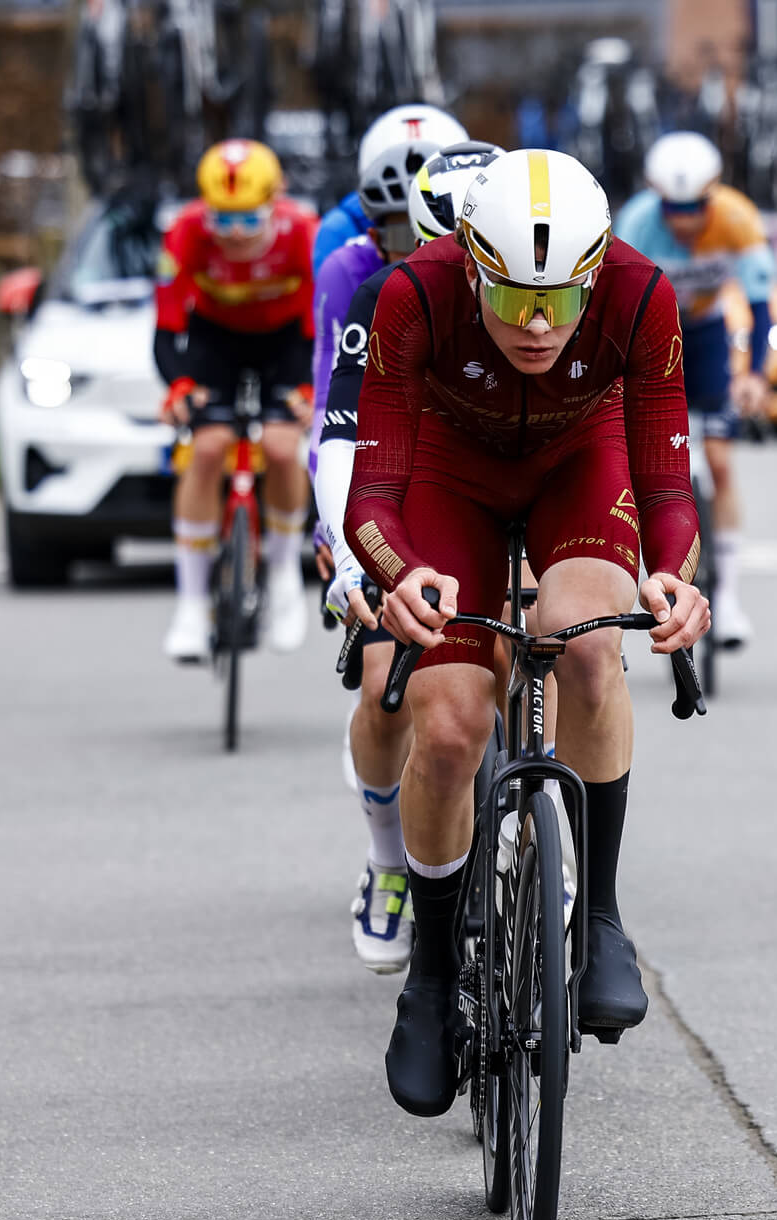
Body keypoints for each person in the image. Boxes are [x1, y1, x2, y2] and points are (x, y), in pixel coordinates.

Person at [342, 149, 710, 1116]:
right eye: (512, 299)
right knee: (454, 724)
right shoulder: (413, 295)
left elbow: (668, 479)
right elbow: (373, 492)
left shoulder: (641, 294)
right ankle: (430, 978)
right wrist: (398, 572)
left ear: (595, 268)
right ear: (470, 261)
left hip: (576, 464)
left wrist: (672, 576)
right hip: (447, 469)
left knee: (588, 643)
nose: (540, 325)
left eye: (560, 297)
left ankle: (601, 921)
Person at [309, 139, 503, 972]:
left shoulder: (542, 293)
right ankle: (390, 860)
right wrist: (353, 558)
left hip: (505, 498)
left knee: (561, 642)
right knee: (390, 684)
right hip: (407, 496)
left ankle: (544, 843)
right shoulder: (383, 296)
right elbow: (341, 440)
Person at [154, 139, 318, 661]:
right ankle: (191, 604)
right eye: (222, 221)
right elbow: (165, 327)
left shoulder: (303, 236)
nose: (237, 234)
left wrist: (313, 388)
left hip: (287, 341)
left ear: (276, 201)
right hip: (215, 341)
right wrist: (178, 384)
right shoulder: (184, 233)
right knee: (205, 450)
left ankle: (286, 572)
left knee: (282, 446)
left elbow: (325, 323)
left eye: (249, 218)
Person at [612, 130, 774, 649]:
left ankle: (726, 600)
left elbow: (762, 304)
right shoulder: (635, 224)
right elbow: (612, 310)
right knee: (642, 472)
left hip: (704, 337)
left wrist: (756, 375)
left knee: (721, 462)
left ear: (715, 193)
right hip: (650, 341)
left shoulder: (738, 218)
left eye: (696, 207)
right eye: (673, 207)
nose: (683, 219)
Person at [311, 104, 467, 277]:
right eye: (406, 239)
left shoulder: (338, 229)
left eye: (437, 238)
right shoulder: (340, 230)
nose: (420, 255)